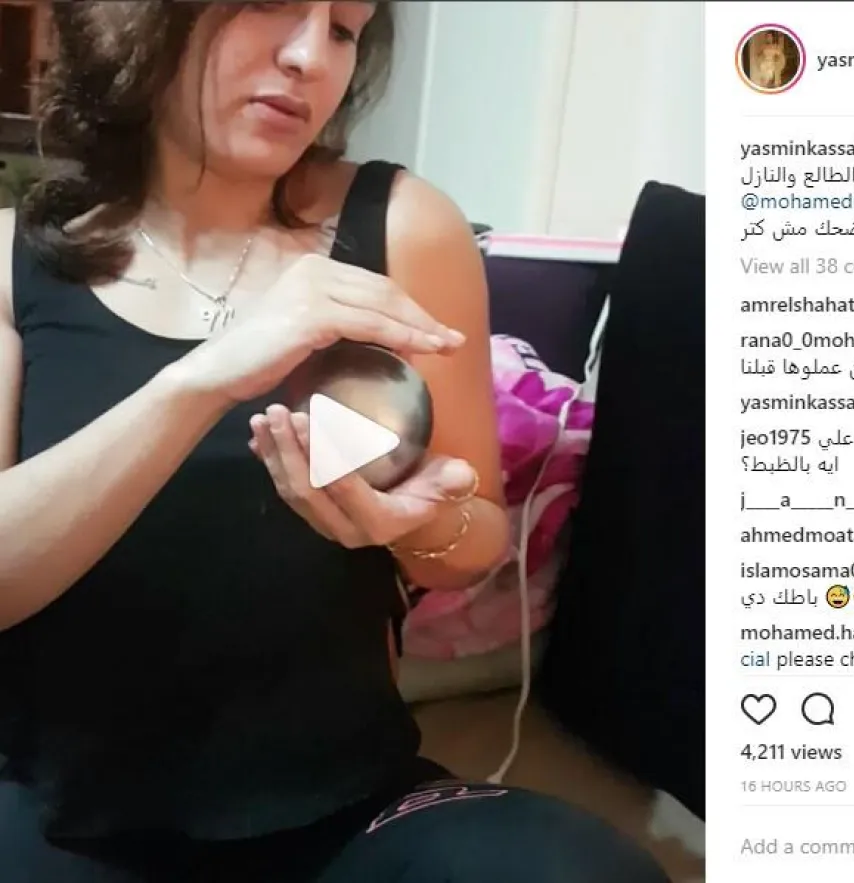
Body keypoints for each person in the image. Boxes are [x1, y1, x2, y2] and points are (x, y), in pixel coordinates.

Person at [0, 3, 671, 881]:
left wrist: (410, 523)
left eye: (345, 29)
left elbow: (472, 533)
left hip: (345, 810)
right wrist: (199, 383)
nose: (311, 57)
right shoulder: (19, 260)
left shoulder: (403, 226)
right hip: (60, 811)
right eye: (272, 5)